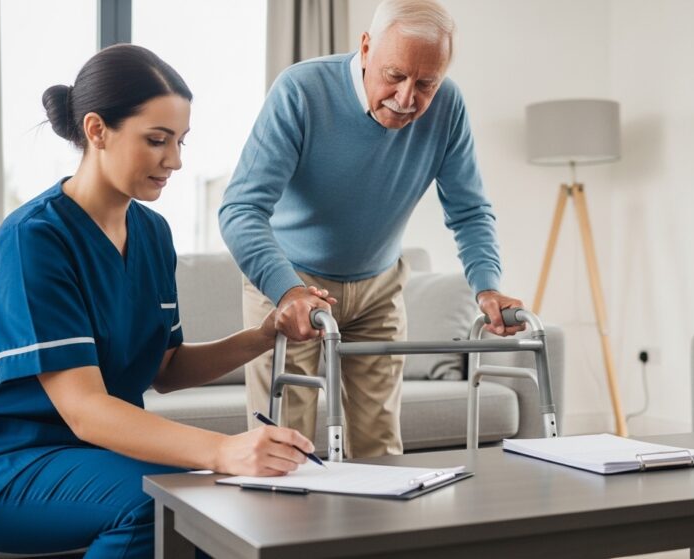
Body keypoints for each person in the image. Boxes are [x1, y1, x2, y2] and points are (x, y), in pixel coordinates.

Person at [0, 44, 322, 557]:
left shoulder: (152, 233)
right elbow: (86, 411)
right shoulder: (33, 241)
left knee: (225, 509)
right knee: (159, 505)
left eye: (181, 141)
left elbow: (165, 368)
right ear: (97, 130)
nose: (176, 161)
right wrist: (224, 450)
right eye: (157, 140)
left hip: (90, 454)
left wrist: (264, 333)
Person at [220, 0, 526, 460]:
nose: (406, 99)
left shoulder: (448, 108)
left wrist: (487, 287)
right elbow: (240, 209)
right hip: (291, 287)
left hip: (378, 290)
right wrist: (288, 291)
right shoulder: (302, 91)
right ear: (365, 48)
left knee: (380, 450)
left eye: (426, 83)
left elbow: (469, 211)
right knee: (284, 450)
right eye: (394, 75)